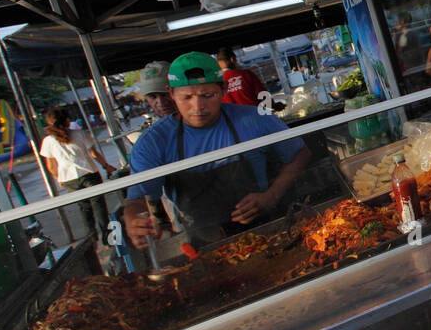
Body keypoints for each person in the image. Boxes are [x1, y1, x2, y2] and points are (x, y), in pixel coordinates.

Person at [123, 51, 312, 250]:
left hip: (272, 231)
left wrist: (271, 196)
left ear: (224, 89)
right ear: (171, 93)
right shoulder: (152, 143)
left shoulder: (255, 118)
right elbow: (137, 199)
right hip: (208, 244)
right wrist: (134, 221)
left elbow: (300, 154)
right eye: (186, 97)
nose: (197, 106)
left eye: (208, 96)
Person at [39, 106, 117, 248]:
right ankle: (108, 239)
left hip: (69, 180)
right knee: (99, 207)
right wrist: (107, 166)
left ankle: (91, 241)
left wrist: (59, 179)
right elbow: (94, 154)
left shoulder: (48, 141)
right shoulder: (80, 134)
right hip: (89, 174)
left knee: (84, 208)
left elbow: (51, 167)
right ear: (67, 120)